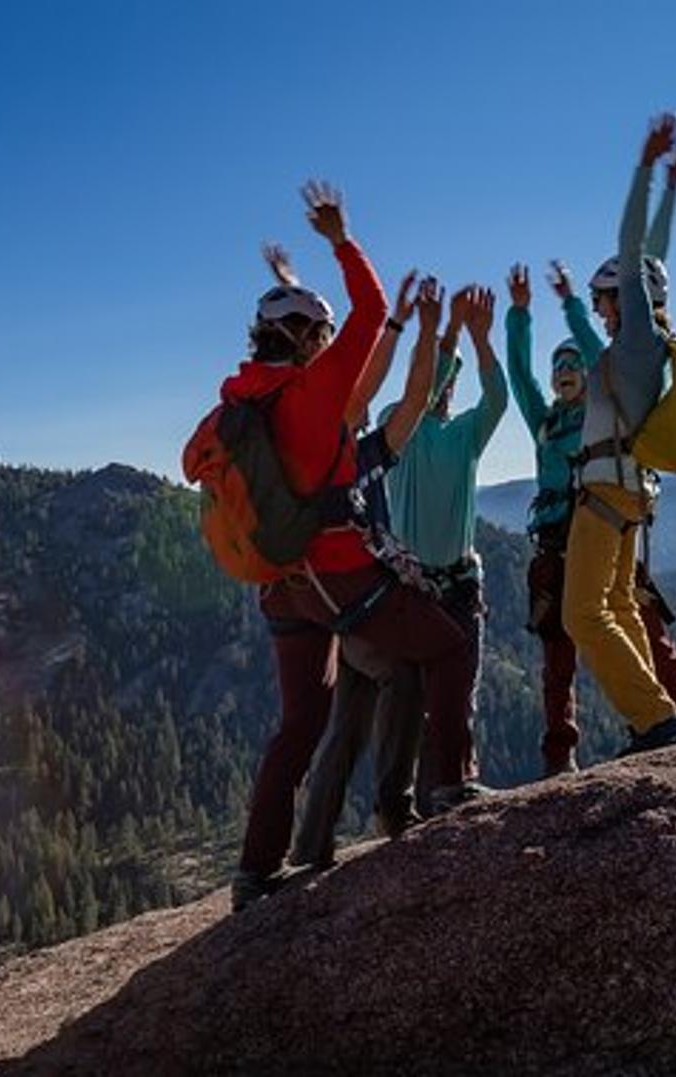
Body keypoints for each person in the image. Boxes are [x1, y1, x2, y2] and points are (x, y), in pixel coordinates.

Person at [221, 182, 476, 912]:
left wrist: (289, 286)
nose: (331, 350)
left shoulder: (244, 401)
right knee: (446, 646)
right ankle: (447, 787)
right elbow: (365, 322)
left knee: (304, 719)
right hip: (335, 571)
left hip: (279, 582)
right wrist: (340, 239)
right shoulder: (313, 401)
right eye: (320, 339)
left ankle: (257, 869)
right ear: (307, 341)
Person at [506, 249, 676, 776]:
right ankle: (643, 726)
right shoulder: (547, 422)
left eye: (573, 363)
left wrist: (573, 303)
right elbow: (519, 378)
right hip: (569, 532)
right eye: (560, 366)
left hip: (602, 505)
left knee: (593, 617)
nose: (566, 372)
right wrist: (519, 317)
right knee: (610, 614)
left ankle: (668, 719)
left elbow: (600, 339)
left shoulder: (610, 381)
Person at [288, 274, 448, 871]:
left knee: (348, 723)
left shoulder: (365, 450)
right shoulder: (335, 446)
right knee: (404, 675)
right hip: (351, 599)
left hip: (347, 601)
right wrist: (403, 325)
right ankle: (394, 806)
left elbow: (414, 399)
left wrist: (427, 330)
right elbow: (380, 390)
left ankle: (311, 845)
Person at [560, 113, 676, 754]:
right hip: (628, 493)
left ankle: (656, 721)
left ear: (626, 297)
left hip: (606, 493)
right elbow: (651, 263)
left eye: (604, 299)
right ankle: (657, 716)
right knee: (616, 607)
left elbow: (637, 253)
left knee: (582, 614)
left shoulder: (639, 343)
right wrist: (671, 191)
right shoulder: (643, 346)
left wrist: (645, 169)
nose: (600, 309)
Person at [379, 283, 506, 813]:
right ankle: (414, 799)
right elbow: (419, 389)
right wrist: (448, 332)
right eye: (437, 381)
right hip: (416, 588)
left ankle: (445, 791)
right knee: (414, 701)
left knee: (454, 695)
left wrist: (479, 338)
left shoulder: (463, 435)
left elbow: (496, 398)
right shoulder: (398, 427)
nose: (444, 391)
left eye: (447, 383)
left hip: (453, 584)